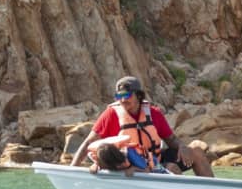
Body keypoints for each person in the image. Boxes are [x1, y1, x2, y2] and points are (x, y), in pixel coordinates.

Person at [72, 76, 214, 177]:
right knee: (172, 168)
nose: (122, 100)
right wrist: (72, 170)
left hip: (154, 160)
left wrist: (183, 147)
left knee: (195, 151)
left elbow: (171, 139)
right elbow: (88, 143)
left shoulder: (154, 113)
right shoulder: (110, 114)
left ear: (139, 96)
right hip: (129, 164)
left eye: (127, 95)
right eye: (118, 96)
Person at [89, 142, 153, 177]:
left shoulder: (130, 156)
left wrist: (133, 168)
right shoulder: (102, 160)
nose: (118, 166)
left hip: (155, 168)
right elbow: (93, 169)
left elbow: (148, 170)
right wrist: (95, 165)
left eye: (119, 164)